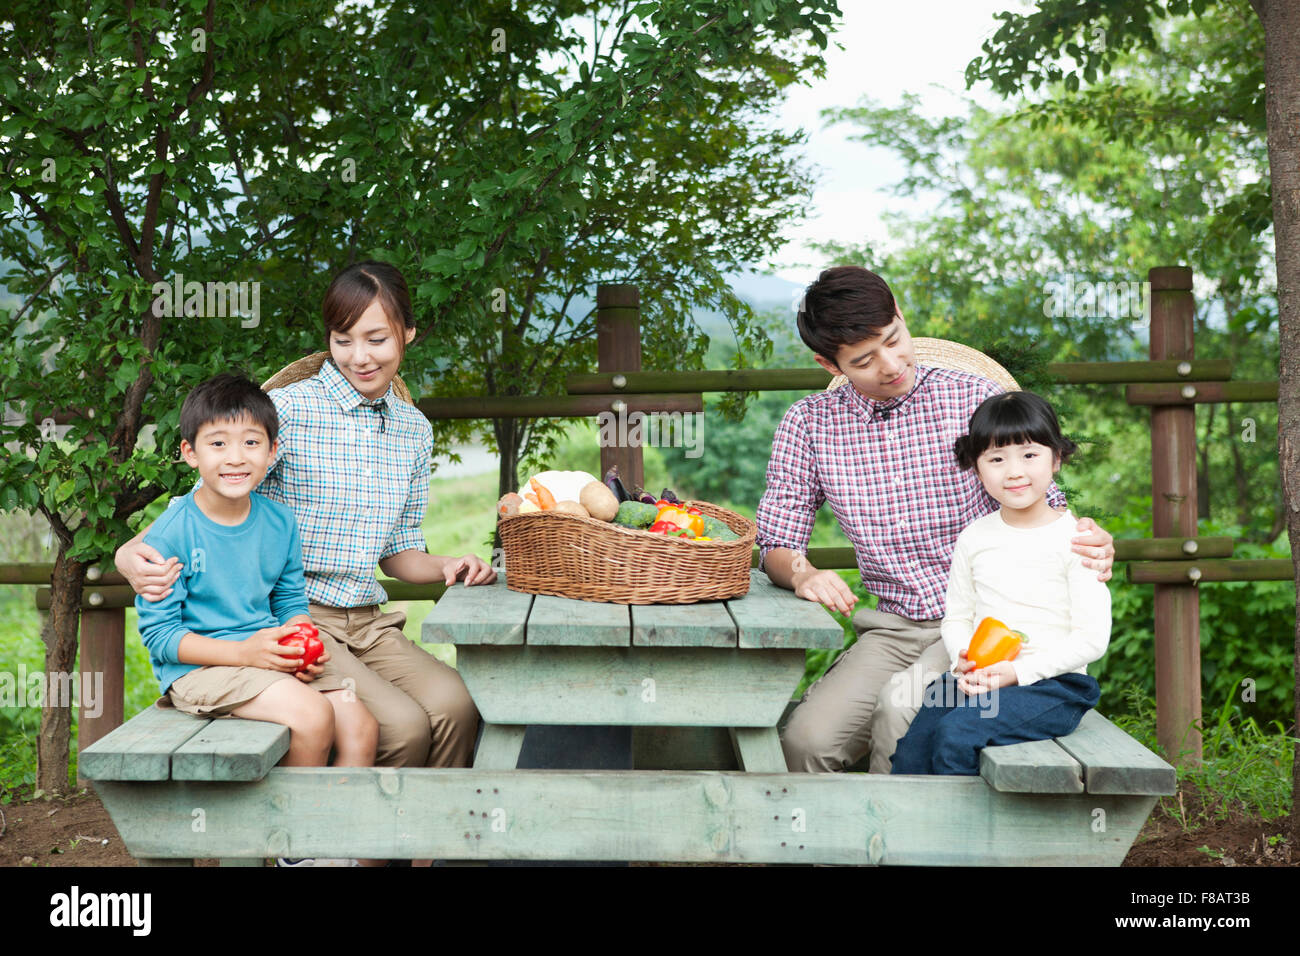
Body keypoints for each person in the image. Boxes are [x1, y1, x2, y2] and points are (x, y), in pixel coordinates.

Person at [117, 261, 493, 791]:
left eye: (377, 338)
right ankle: (351, 844)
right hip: (297, 616)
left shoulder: (414, 429)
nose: (359, 357)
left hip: (368, 617)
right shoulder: (289, 410)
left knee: (457, 705)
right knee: (402, 728)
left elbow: (400, 552)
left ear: (408, 332)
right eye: (343, 340)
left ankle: (427, 847)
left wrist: (449, 564)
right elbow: (208, 498)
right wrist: (125, 553)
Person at [758, 265, 1115, 774]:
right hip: (894, 626)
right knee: (806, 742)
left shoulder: (971, 397)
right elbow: (777, 540)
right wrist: (803, 573)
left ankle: (900, 845)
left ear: (900, 316)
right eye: (863, 360)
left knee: (898, 717)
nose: (890, 364)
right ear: (827, 363)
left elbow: (1041, 502)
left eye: (893, 339)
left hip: (988, 626)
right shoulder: (809, 424)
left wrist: (1090, 541)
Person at [135, 373, 378, 778]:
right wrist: (245, 653)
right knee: (315, 716)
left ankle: (332, 832)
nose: (235, 457)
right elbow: (161, 639)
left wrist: (301, 644)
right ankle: (287, 834)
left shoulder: (279, 521)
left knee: (360, 726)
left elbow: (289, 601)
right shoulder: (171, 533)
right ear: (190, 453)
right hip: (202, 670)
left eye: (251, 442)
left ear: (272, 451)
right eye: (217, 444)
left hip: (267, 654)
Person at [890, 390, 1110, 775]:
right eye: (996, 458)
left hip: (1053, 686)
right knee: (912, 749)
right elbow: (957, 616)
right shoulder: (974, 536)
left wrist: (1017, 674)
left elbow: (1091, 639)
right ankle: (913, 832)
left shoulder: (1077, 541)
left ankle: (964, 833)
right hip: (981, 676)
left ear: (1056, 458)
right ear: (976, 469)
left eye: (1029, 454)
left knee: (958, 733)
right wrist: (967, 660)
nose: (1014, 471)